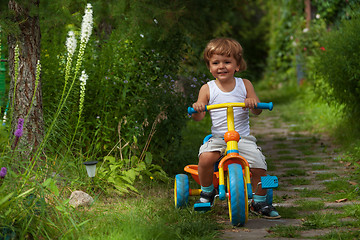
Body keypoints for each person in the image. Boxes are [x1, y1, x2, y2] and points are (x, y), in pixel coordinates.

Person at [191, 38, 280, 219]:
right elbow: (199, 116)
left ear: (237, 65)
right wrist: (198, 107)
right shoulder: (207, 89)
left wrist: (252, 102)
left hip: (243, 139)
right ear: (209, 67)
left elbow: (256, 111)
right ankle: (207, 191)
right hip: (218, 138)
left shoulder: (245, 84)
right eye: (216, 62)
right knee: (205, 158)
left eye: (227, 62)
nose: (221, 66)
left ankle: (260, 201)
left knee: (259, 166)